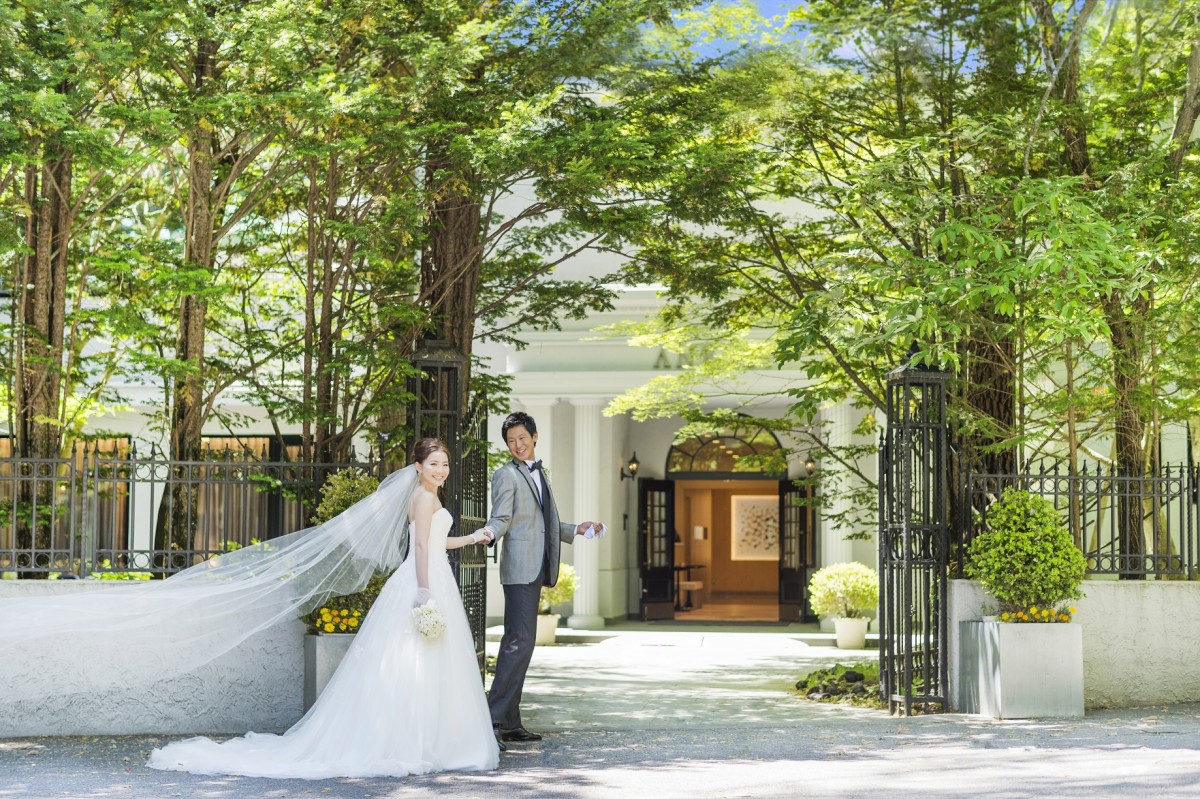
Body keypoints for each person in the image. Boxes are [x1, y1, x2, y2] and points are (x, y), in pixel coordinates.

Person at [147, 437, 500, 779]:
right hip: (425, 579)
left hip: (432, 574)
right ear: (418, 466)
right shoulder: (423, 499)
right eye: (434, 464)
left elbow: (436, 542)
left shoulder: (428, 498)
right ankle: (420, 743)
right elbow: (421, 548)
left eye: (445, 464)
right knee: (415, 658)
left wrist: (473, 537)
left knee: (429, 660)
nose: (441, 470)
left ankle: (432, 742)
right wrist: (424, 590)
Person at [477, 411, 606, 743]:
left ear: (535, 437)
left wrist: (576, 529)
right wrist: (490, 532)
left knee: (524, 644)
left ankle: (510, 721)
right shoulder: (506, 475)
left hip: (536, 566)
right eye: (511, 441)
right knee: (518, 642)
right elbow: (502, 516)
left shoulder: (539, 474)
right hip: (520, 568)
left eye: (522, 438)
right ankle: (491, 721)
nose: (517, 445)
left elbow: (542, 522)